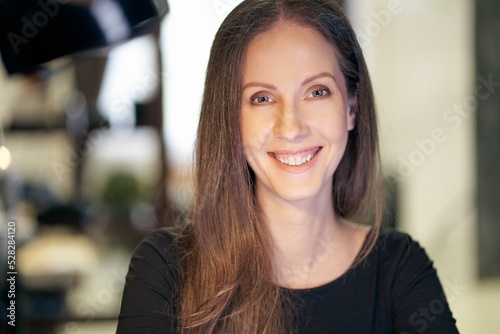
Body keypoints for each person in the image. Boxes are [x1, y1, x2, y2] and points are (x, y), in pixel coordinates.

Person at [117, 0, 459, 333]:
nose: (291, 127)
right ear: (231, 120)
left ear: (352, 109)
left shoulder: (401, 269)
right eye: (262, 98)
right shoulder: (166, 268)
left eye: (317, 92)